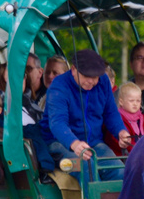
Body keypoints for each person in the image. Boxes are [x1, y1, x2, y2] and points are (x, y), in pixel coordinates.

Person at [44, 49, 130, 180]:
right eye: (86, 76)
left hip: (94, 143)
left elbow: (111, 112)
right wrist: (74, 143)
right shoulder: (59, 86)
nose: (91, 81)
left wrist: (121, 131)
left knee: (119, 172)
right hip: (59, 144)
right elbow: (57, 123)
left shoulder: (104, 82)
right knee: (87, 171)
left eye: (95, 77)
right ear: (73, 70)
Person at [117, 82, 144, 147]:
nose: (135, 104)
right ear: (121, 102)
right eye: (131, 101)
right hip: (124, 154)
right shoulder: (118, 119)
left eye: (138, 101)